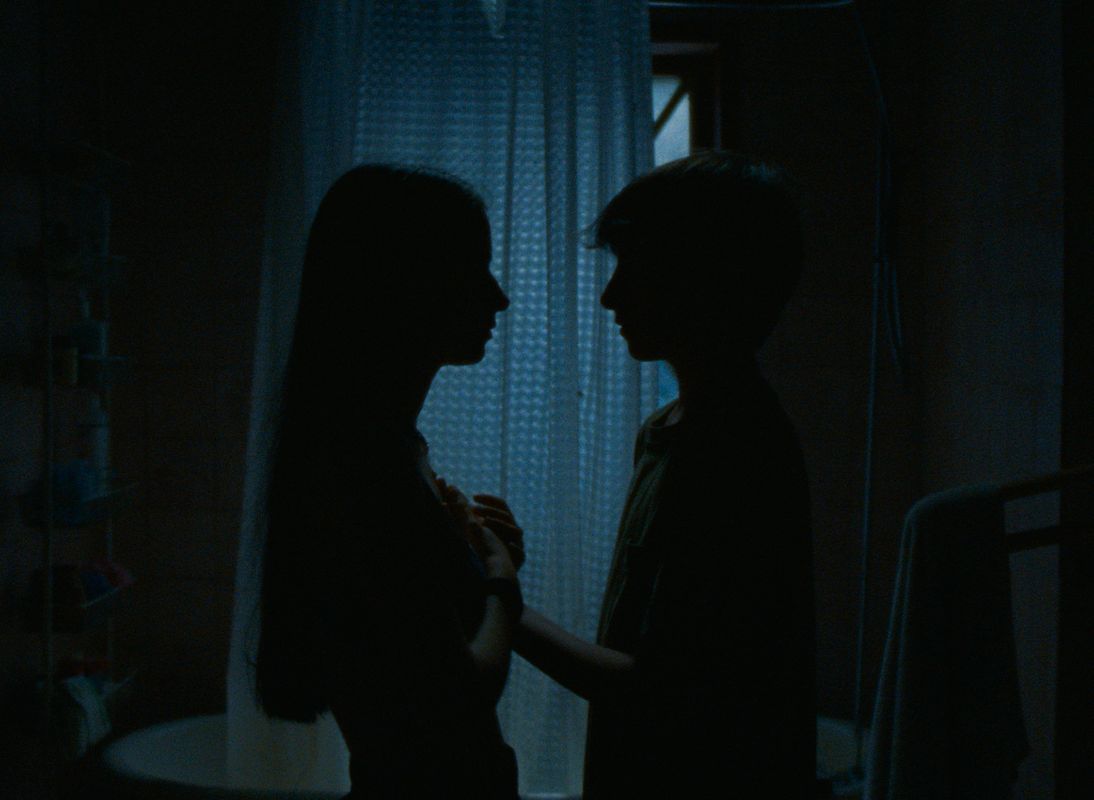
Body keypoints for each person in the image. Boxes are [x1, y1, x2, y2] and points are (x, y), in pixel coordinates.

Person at [474, 151, 817, 798]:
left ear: (703, 280)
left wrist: (499, 598)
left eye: (635, 268)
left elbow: (658, 689)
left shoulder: (735, 452)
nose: (611, 295)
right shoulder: (671, 430)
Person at [254, 164, 523, 798]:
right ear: (407, 286)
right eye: (475, 271)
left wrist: (473, 560)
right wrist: (502, 582)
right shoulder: (368, 464)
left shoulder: (385, 447)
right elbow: (459, 697)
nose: (499, 298)